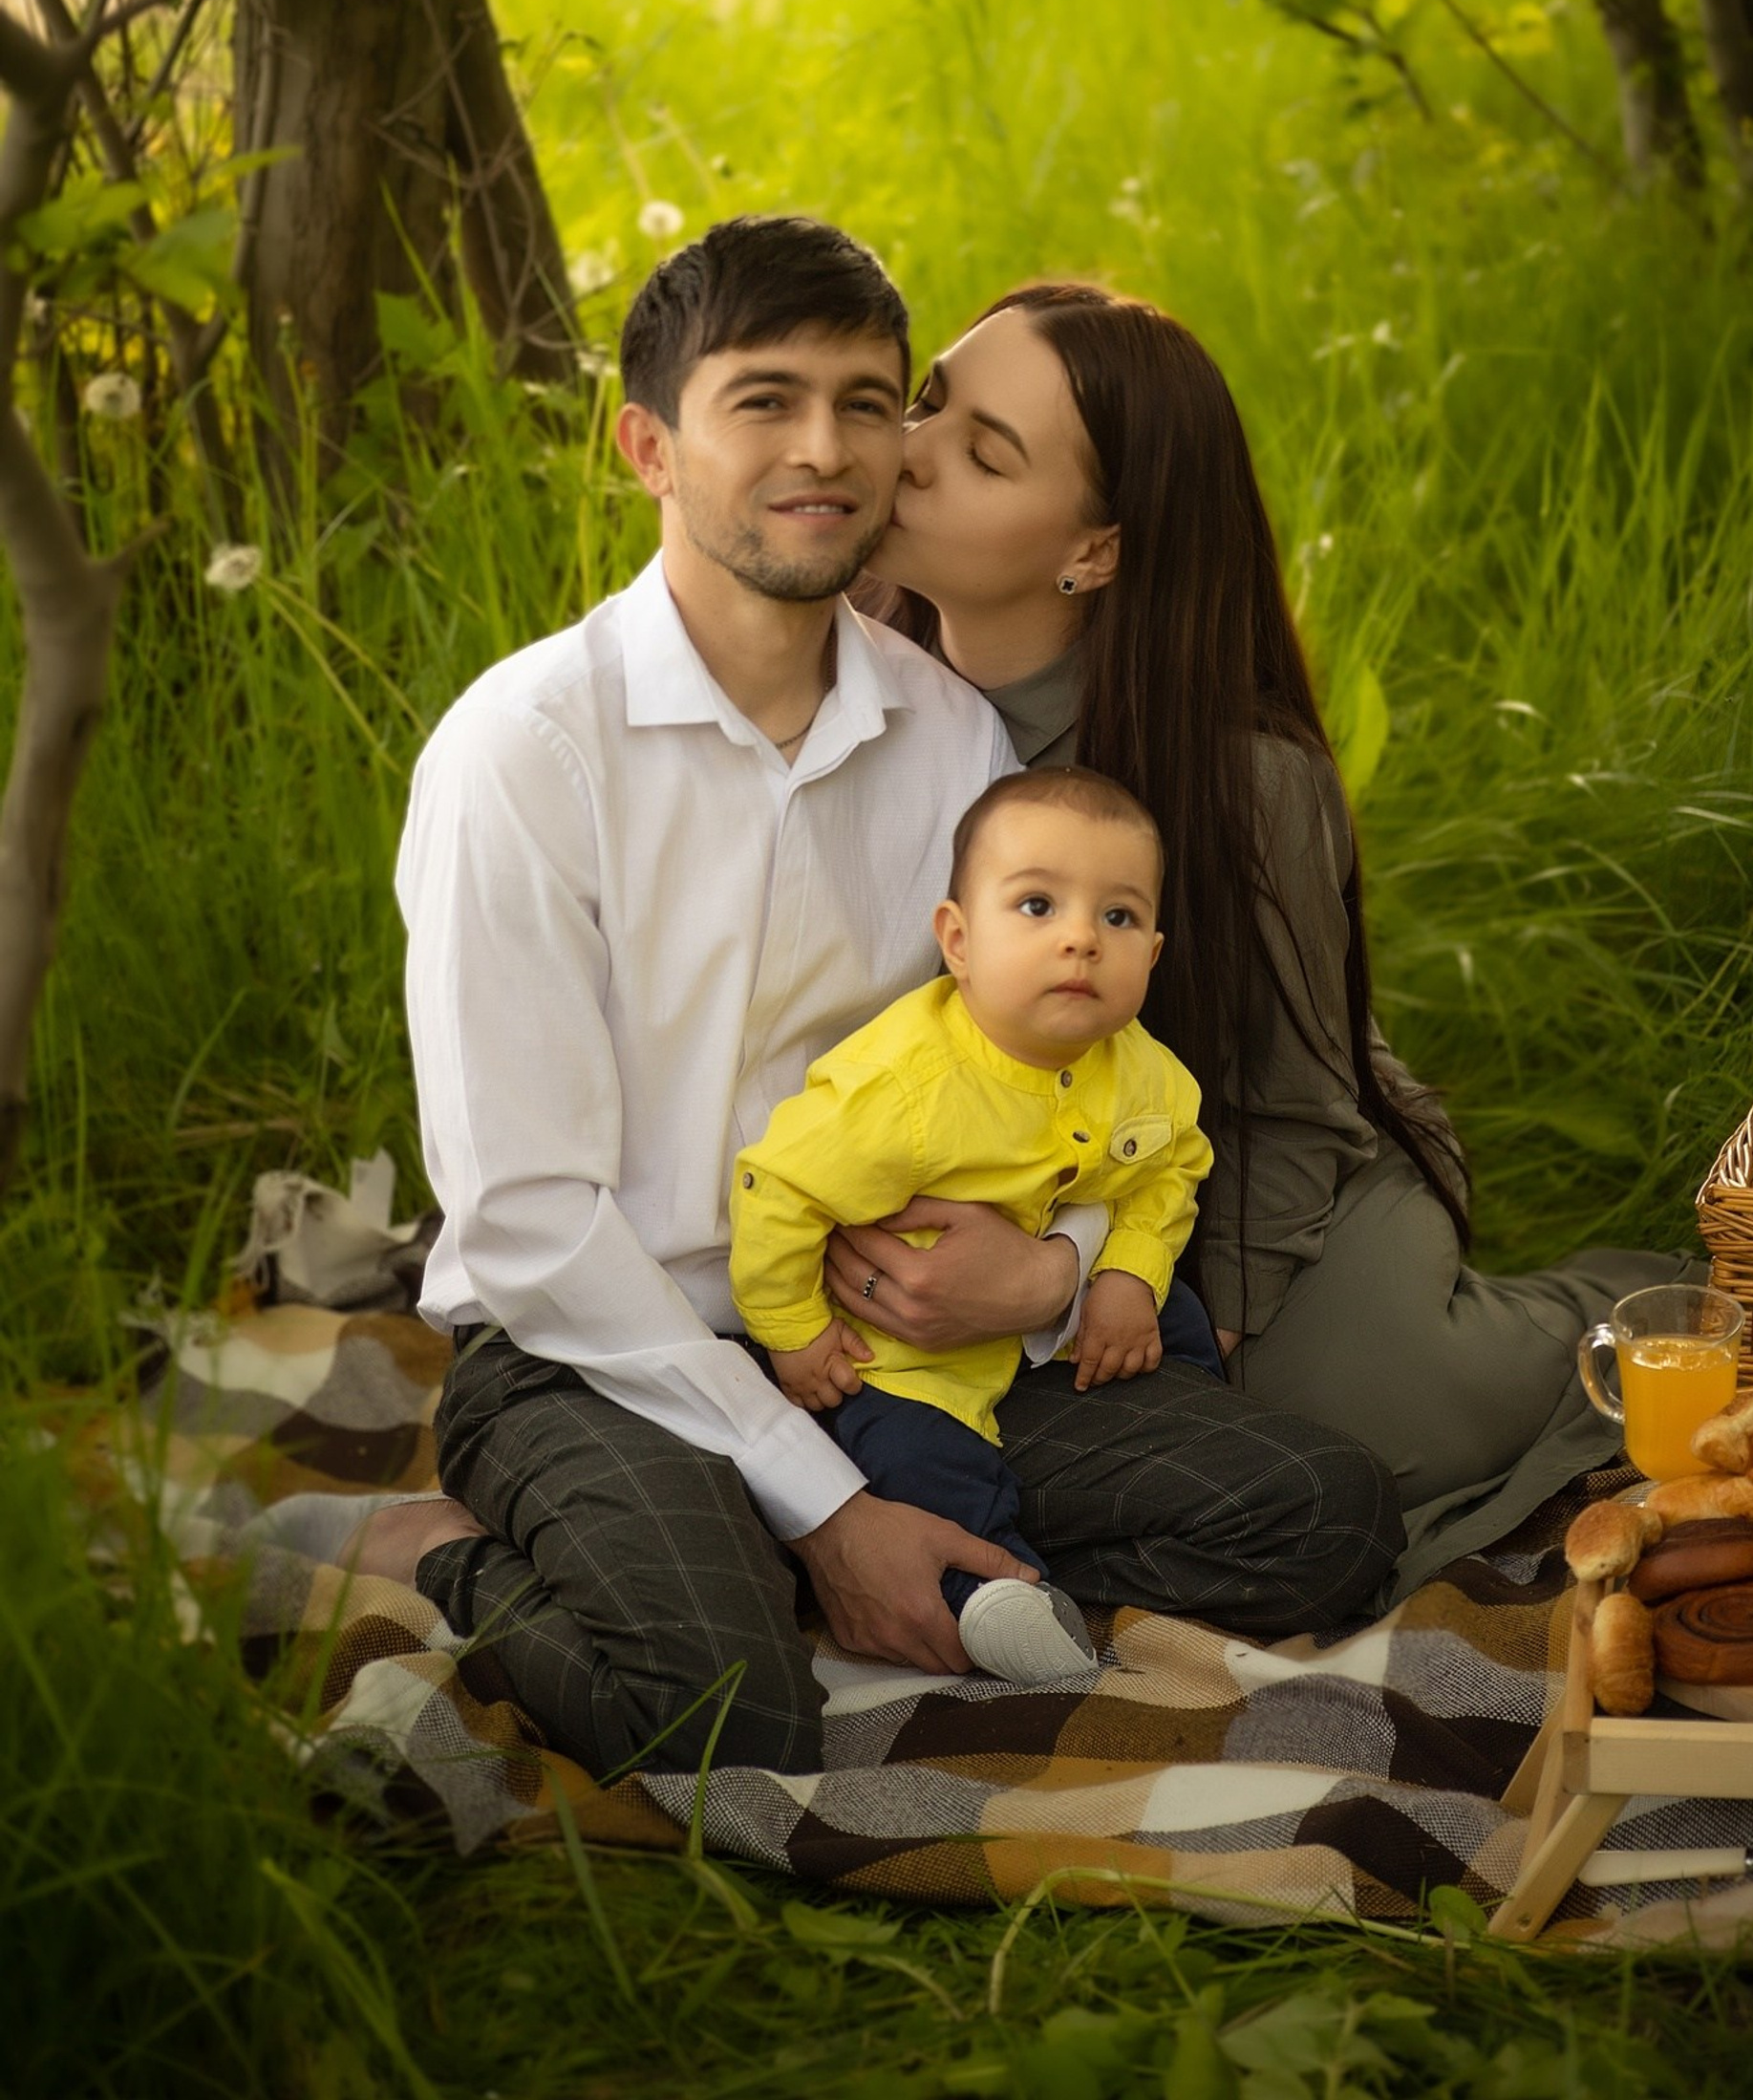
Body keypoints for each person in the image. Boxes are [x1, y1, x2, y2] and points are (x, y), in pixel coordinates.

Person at [350, 219, 1405, 1784]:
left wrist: (1060, 1269)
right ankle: (453, 1550)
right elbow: (526, 1229)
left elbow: (1050, 1083)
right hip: (597, 1346)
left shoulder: (950, 744)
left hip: (888, 1345)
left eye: (865, 399)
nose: (829, 449)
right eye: (763, 402)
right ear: (648, 445)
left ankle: (772, 1555)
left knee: (1324, 1516)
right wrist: (826, 1509)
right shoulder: (528, 755)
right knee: (723, 1710)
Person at [850, 280, 1689, 1599]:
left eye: (983, 452)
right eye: (926, 405)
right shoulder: (847, 698)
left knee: (1366, 1437)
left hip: (1257, 1178)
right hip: (1007, 1167)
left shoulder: (1240, 777)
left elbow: (1295, 1108)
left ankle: (1658, 1311)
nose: (910, 451)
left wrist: (1188, 1346)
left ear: (1096, 549)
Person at [733, 767, 1222, 1688]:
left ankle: (1174, 1452)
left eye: (1116, 919)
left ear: (1152, 955)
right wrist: (794, 1335)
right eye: (1038, 905)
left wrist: (1126, 1275)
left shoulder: (1146, 1073)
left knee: (1177, 1323)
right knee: (924, 1458)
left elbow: (1171, 1169)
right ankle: (991, 1598)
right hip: (902, 1352)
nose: (1080, 938)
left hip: (1052, 1314)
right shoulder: (905, 1092)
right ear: (958, 940)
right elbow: (776, 1190)